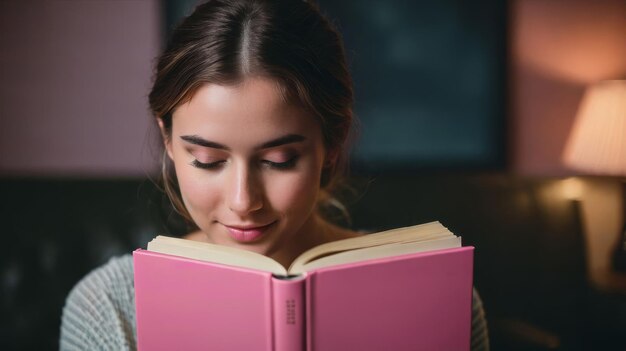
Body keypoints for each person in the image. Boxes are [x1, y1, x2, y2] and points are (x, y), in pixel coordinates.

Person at [60, 0, 489, 350]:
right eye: (208, 160)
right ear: (168, 141)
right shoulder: (110, 308)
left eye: (280, 159)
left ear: (332, 144)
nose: (244, 201)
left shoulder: (441, 296)